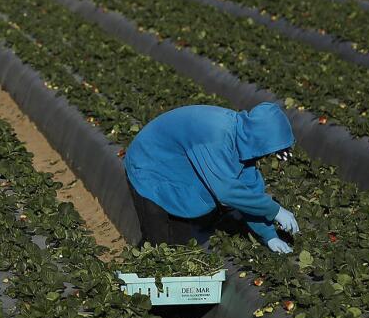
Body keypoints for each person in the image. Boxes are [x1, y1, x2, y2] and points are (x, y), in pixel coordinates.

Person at [124, 102, 300, 254]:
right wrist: (275, 211)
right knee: (156, 243)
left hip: (174, 167)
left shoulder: (244, 140)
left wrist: (269, 235)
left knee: (180, 244)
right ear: (260, 138)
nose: (269, 155)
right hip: (148, 163)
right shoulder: (216, 135)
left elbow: (249, 192)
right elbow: (226, 191)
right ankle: (131, 285)